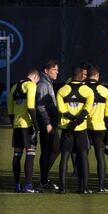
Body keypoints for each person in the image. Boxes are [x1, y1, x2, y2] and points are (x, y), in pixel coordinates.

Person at [56, 66, 94, 194]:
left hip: (67, 128)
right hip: (81, 129)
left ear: (72, 75)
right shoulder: (88, 90)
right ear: (81, 76)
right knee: (83, 157)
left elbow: (62, 110)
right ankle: (84, 188)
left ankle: (62, 188)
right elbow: (87, 110)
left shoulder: (62, 90)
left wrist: (71, 120)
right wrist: (77, 121)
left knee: (65, 157)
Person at [8, 69, 40, 193]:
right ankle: (28, 185)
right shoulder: (31, 85)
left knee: (17, 155)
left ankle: (17, 185)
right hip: (28, 126)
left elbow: (10, 110)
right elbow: (31, 107)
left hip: (17, 126)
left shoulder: (14, 87)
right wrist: (36, 126)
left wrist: (14, 124)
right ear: (35, 78)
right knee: (30, 154)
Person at [85, 65, 108, 192]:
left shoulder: (82, 88)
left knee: (83, 156)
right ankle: (101, 186)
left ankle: (83, 185)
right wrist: (106, 128)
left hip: (84, 127)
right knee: (100, 157)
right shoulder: (105, 90)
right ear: (97, 76)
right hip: (100, 128)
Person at [36, 60, 60, 190]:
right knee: (48, 151)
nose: (57, 72)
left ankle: (44, 178)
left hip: (51, 123)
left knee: (53, 149)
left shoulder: (47, 83)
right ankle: (44, 180)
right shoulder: (43, 84)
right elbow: (40, 106)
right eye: (54, 69)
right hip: (47, 124)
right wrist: (47, 123)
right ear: (46, 71)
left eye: (57, 69)